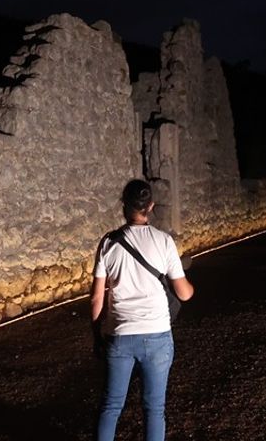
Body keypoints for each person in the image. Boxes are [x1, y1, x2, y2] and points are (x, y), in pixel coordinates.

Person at [91, 179, 195, 441]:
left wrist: (96, 334)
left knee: (111, 406)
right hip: (157, 334)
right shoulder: (164, 241)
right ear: (150, 206)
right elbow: (183, 293)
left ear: (124, 205)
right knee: (154, 409)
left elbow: (96, 300)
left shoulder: (108, 243)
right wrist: (190, 287)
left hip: (119, 335)